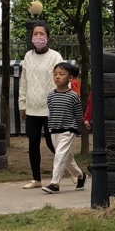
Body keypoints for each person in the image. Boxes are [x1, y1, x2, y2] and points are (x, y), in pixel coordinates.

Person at [18, 24, 63, 188]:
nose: (38, 37)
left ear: (48, 37)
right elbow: (24, 81)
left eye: (41, 34)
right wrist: (22, 104)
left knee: (53, 144)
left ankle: (74, 172)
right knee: (33, 144)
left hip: (51, 108)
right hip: (32, 108)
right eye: (35, 34)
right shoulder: (28, 57)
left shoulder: (55, 57)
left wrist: (60, 102)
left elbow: (62, 80)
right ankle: (36, 179)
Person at [43, 60, 85, 193]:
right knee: (66, 158)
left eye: (61, 74)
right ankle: (80, 175)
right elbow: (51, 112)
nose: (57, 77)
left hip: (69, 130)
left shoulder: (73, 96)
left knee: (60, 156)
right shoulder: (51, 95)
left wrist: (78, 128)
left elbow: (78, 113)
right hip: (54, 130)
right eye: (55, 74)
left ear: (70, 78)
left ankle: (55, 184)